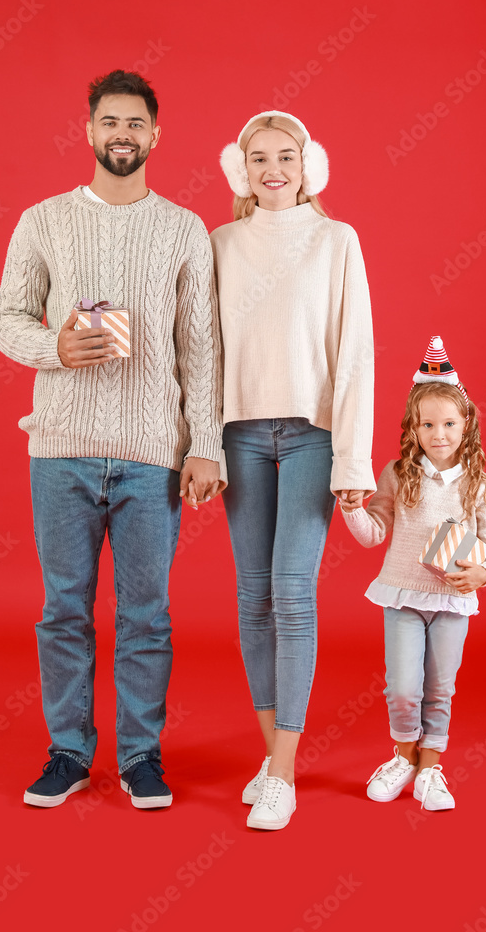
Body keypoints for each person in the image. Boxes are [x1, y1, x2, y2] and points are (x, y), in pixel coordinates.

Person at [0, 69, 223, 810]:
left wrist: (204, 444)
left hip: (152, 452)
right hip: (60, 448)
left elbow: (202, 348)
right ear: (88, 131)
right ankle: (67, 752)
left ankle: (139, 757)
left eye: (135, 124)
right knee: (64, 609)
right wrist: (54, 348)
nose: (122, 134)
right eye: (109, 122)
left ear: (156, 135)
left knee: (147, 614)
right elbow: (6, 318)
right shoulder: (43, 220)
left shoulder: (184, 228)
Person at [211, 111, 375, 829]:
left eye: (286, 156)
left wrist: (353, 459)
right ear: (239, 170)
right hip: (239, 435)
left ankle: (284, 772)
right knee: (251, 597)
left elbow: (355, 352)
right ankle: (268, 756)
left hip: (313, 436)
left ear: (310, 166)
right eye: (258, 158)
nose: (272, 169)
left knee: (292, 591)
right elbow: (202, 354)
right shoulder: (219, 244)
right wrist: (201, 446)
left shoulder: (336, 242)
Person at [340, 336, 486, 810]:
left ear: (466, 423)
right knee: (403, 687)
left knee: (440, 687)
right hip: (403, 596)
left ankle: (431, 769)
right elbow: (374, 533)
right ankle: (404, 757)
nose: (439, 434)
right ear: (413, 427)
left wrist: (483, 574)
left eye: (449, 423)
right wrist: (351, 508)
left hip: (452, 601)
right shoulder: (397, 473)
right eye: (428, 424)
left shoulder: (479, 483)